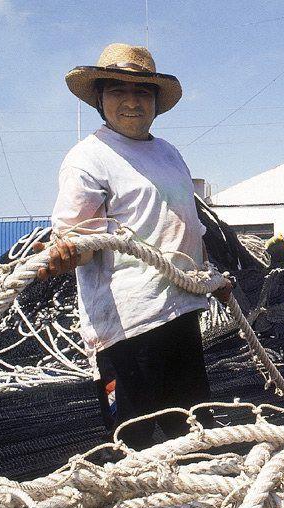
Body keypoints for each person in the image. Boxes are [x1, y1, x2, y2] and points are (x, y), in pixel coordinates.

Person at [35, 43, 231, 450]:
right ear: (100, 100)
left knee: (195, 432)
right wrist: (65, 255)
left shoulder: (168, 153)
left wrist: (210, 279)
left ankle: (201, 507)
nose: (130, 102)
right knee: (133, 441)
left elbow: (186, 225)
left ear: (157, 102)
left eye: (142, 92)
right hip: (129, 324)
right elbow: (80, 241)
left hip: (180, 310)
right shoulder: (88, 159)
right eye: (118, 91)